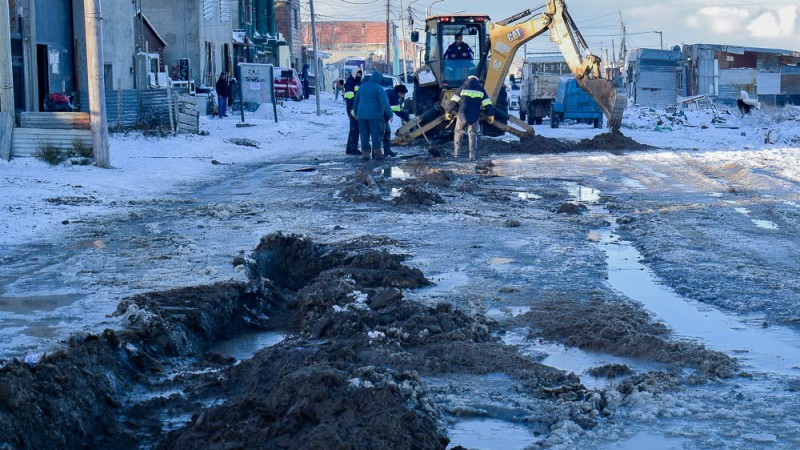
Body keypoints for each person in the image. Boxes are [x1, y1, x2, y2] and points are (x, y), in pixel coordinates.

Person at [445, 75, 495, 160]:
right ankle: (472, 157)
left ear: (468, 79)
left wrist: (448, 112)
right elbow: (487, 103)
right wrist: (491, 114)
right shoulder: (481, 90)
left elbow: (454, 101)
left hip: (462, 114)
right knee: (472, 134)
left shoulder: (462, 87)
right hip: (474, 115)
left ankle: (456, 155)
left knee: (458, 132)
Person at [353, 71, 393, 161]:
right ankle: (377, 153)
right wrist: (390, 114)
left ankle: (365, 153)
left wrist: (355, 112)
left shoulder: (362, 87)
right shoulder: (379, 89)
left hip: (361, 115)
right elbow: (385, 103)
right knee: (376, 134)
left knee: (364, 135)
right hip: (375, 116)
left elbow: (356, 101)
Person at [382, 84, 410, 157]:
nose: (403, 96)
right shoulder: (393, 96)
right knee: (382, 133)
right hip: (380, 116)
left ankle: (387, 150)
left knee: (387, 132)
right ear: (399, 92)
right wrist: (408, 116)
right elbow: (397, 110)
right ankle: (378, 153)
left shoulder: (391, 93)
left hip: (382, 115)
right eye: (403, 94)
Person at [344, 69, 363, 155]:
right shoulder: (350, 82)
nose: (358, 75)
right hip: (352, 108)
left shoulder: (359, 82)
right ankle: (353, 148)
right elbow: (349, 97)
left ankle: (350, 148)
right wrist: (351, 109)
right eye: (357, 74)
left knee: (355, 128)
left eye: (360, 74)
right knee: (354, 129)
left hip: (357, 108)